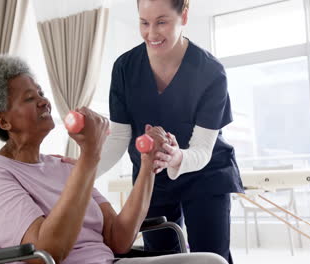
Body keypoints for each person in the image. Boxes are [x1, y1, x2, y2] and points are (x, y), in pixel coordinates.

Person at [0, 55, 228, 264]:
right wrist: (89, 156)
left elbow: (119, 239)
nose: (44, 101)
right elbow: (47, 253)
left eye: (40, 93)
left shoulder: (64, 167)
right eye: (29, 98)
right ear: (3, 121)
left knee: (210, 262)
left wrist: (148, 164)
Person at [87, 0, 244, 263]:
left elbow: (203, 150)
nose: (151, 33)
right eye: (144, 22)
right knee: (160, 258)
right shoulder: (125, 68)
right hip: (152, 176)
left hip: (205, 174)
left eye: (161, 22)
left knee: (210, 256)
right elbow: (119, 138)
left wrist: (176, 157)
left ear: (183, 15)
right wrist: (81, 173)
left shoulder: (210, 71)